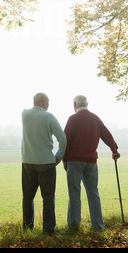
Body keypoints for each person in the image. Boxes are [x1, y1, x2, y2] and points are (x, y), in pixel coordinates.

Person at [63, 95, 120, 232]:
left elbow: (65, 141)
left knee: (75, 194)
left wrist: (64, 160)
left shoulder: (73, 119)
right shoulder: (95, 118)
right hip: (91, 162)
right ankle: (98, 226)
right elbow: (107, 135)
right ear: (87, 104)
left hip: (75, 161)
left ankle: (74, 227)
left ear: (74, 104)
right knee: (93, 193)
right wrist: (114, 150)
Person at [21, 92, 67, 235]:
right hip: (47, 163)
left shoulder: (24, 114)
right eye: (48, 102)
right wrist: (58, 156)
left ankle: (28, 228)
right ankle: (48, 230)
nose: (49, 105)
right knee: (48, 197)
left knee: (28, 197)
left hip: (28, 162)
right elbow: (63, 139)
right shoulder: (49, 117)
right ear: (42, 102)